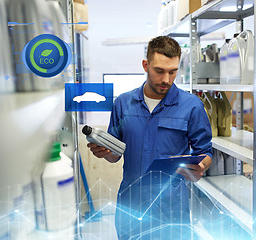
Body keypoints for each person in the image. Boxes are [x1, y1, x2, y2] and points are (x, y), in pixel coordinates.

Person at [87, 36, 212, 239]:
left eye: (173, 72)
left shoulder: (192, 106)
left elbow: (205, 152)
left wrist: (200, 168)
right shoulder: (123, 103)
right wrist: (104, 153)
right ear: (146, 65)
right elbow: (115, 155)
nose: (166, 80)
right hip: (131, 203)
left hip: (171, 206)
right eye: (159, 71)